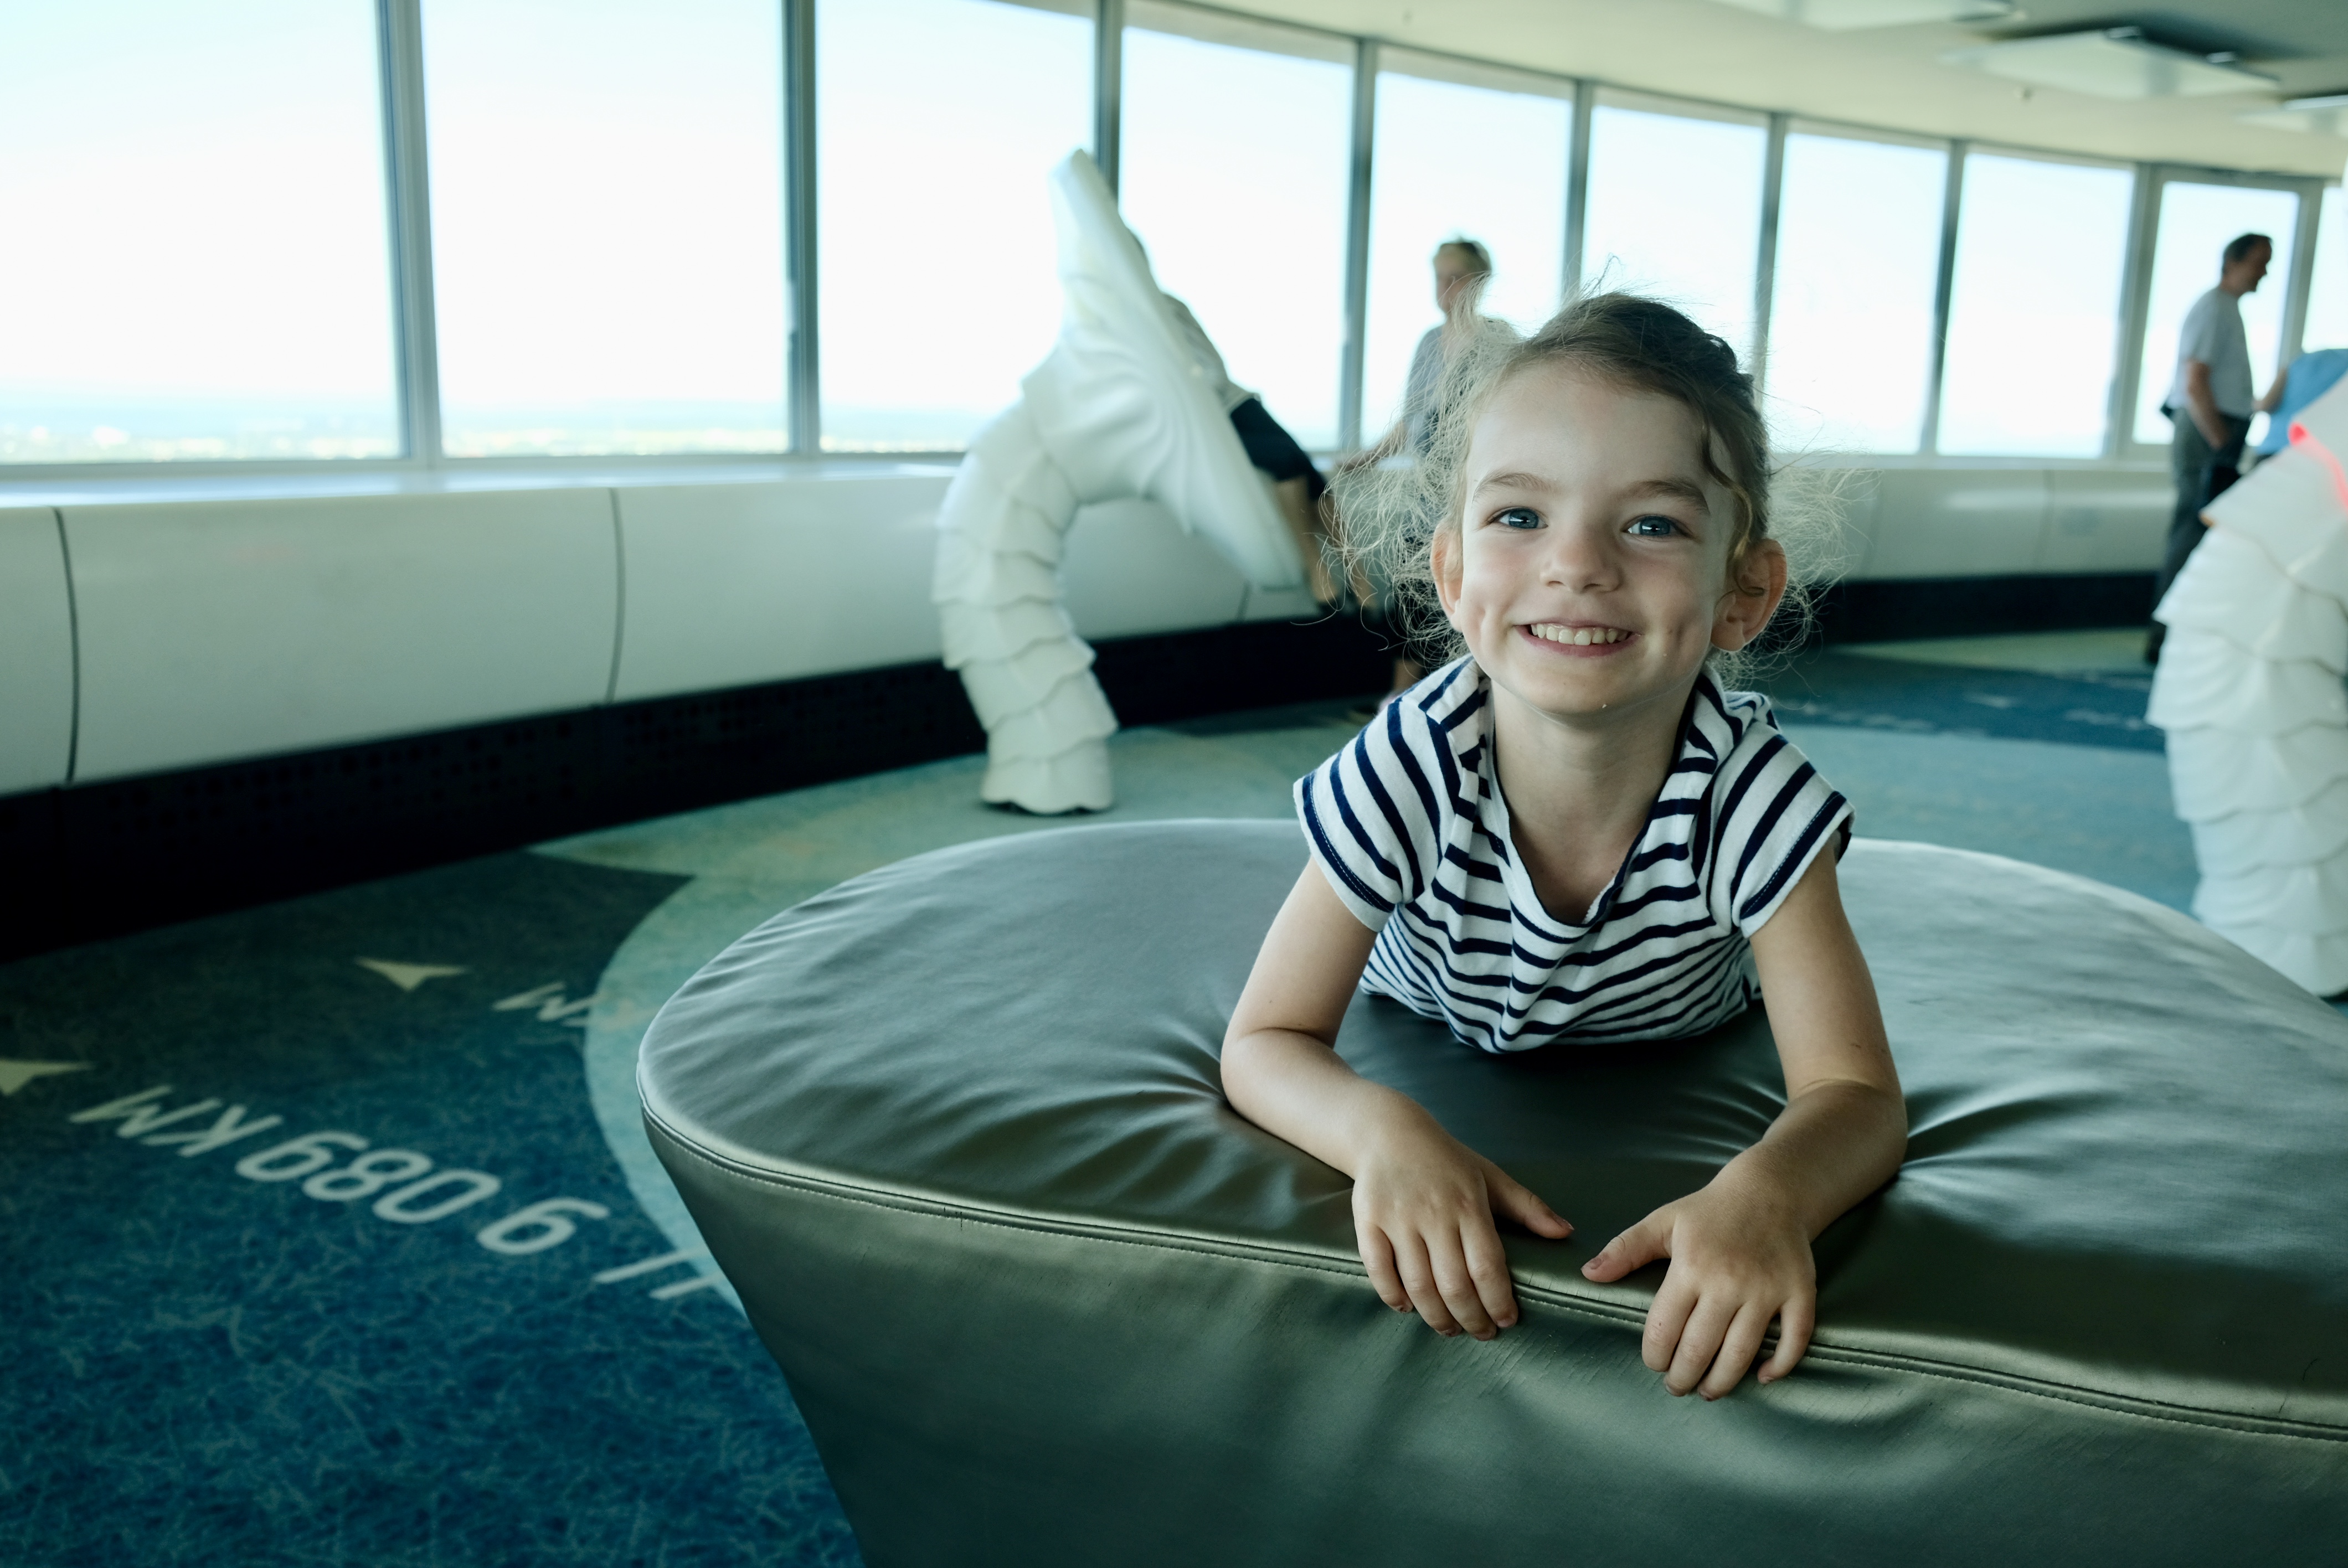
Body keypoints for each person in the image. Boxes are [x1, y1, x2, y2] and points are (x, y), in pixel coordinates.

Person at [1219, 292, 1905, 1400]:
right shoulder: (1414, 758)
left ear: (1743, 592)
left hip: (1673, 1033)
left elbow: (1856, 1093)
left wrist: (1769, 1193)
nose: (1576, 563)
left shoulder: (1749, 797)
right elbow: (1265, 1039)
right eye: (1519, 515)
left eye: (1652, 525)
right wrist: (1381, 1133)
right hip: (1424, 1006)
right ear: (1452, 574)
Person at [2148, 232, 2276, 662]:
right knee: (2192, 530)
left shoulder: (2228, 309)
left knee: (2203, 533)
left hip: (2218, 429)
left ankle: (2183, 633)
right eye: (2259, 262)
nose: (2265, 273)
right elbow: (2195, 380)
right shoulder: (2212, 307)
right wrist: (2221, 442)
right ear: (2232, 262)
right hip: (2208, 431)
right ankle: (2165, 637)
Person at [1161, 290, 1337, 601]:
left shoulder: (1168, 304)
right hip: (1203, 420)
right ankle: (1317, 570)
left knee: (1307, 468)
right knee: (1285, 460)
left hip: (1233, 401)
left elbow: (1214, 368)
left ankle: (1360, 581)